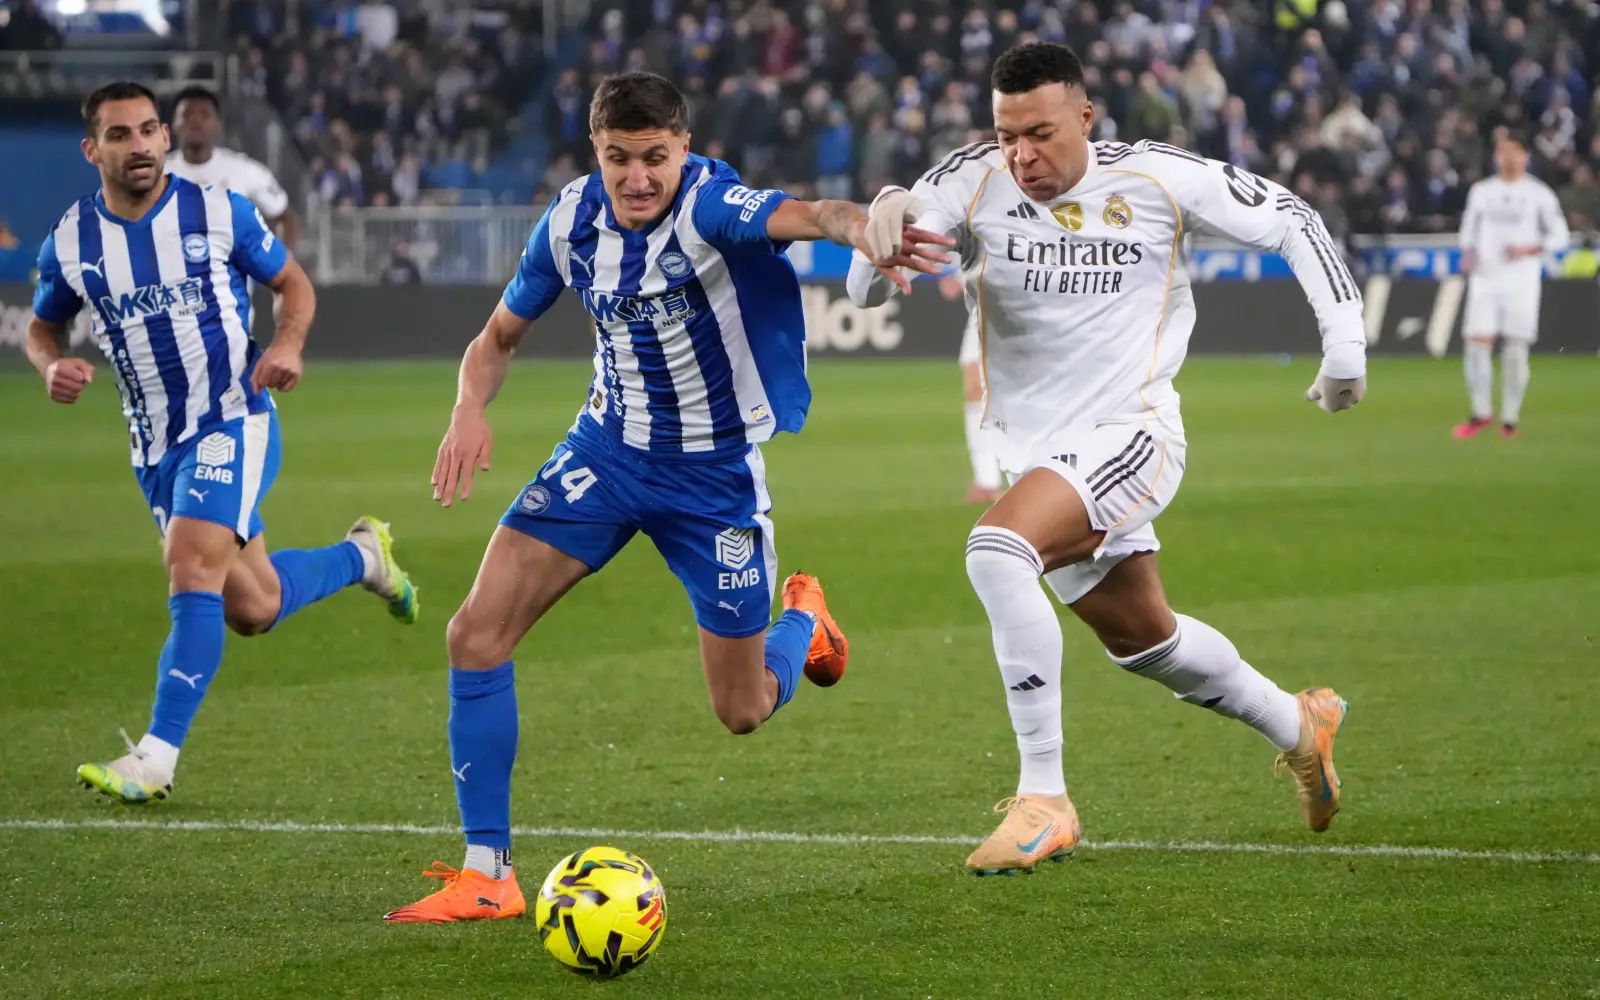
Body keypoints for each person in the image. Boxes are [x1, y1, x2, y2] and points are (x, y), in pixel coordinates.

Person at [384, 71, 948, 922]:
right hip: (605, 454)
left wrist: (871, 224)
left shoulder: (710, 207)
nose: (638, 177)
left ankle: (805, 622)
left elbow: (812, 215)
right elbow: (496, 338)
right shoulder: (569, 221)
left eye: (655, 156)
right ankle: (488, 873)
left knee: (743, 709)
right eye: (619, 158)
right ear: (596, 152)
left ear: (684, 147)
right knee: (474, 633)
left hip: (712, 480)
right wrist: (468, 408)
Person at [850, 43, 1365, 876]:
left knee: (995, 551)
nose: (1021, 155)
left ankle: (1044, 799)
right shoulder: (968, 180)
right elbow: (868, 288)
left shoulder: (1156, 177)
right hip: (1039, 459)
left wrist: (1344, 347)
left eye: (1040, 134)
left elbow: (1292, 218)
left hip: (1134, 434)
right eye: (1006, 135)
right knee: (1148, 643)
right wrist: (878, 233)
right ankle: (1300, 725)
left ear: (1085, 117)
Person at [25, 82, 417, 804]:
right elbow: (41, 326)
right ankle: (365, 556)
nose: (140, 145)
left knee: (190, 563)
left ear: (164, 137)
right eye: (120, 134)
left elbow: (293, 285)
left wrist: (288, 345)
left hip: (232, 416)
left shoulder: (217, 211)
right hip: (154, 448)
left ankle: (155, 757)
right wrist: (51, 365)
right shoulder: (72, 241)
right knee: (253, 607)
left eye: (149, 129)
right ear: (92, 150)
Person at [1453, 131, 1570, 440]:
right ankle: (1481, 412)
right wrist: (1467, 253)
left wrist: (1531, 249)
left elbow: (1560, 236)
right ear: (1496, 156)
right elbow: (1469, 227)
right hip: (1485, 277)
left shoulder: (1539, 194)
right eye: (1502, 151)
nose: (1508, 157)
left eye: (1514, 151)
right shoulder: (1482, 191)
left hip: (1522, 279)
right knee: (1476, 344)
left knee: (1516, 348)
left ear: (1525, 155)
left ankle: (1510, 417)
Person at [166, 85, 299, 251]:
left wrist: (282, 261)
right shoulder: (158, 172)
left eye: (205, 114)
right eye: (187, 114)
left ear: (218, 125)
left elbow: (285, 217)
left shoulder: (245, 170)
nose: (196, 121)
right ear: (172, 124)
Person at [940, 269, 1004, 504]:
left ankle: (1042, 475)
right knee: (975, 388)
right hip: (986, 304)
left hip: (1027, 299)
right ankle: (986, 480)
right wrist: (958, 278)